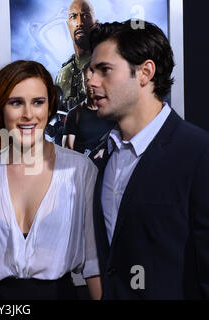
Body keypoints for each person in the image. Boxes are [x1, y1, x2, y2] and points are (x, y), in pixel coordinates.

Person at [89, 20, 209, 299]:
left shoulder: (199, 154)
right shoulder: (102, 157)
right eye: (92, 70)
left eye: (104, 70)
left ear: (145, 72)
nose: (92, 81)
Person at [0, 60, 101, 300]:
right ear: (1, 108)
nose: (28, 114)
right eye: (16, 102)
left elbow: (93, 264)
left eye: (38, 102)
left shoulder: (80, 171)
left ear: (50, 107)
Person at [64, 64, 115, 161]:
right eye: (87, 80)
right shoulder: (74, 114)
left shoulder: (113, 111)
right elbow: (67, 151)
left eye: (95, 79)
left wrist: (105, 150)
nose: (91, 84)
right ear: (82, 84)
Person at [55, 0, 98, 110]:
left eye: (86, 16)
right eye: (73, 16)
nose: (79, 23)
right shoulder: (62, 74)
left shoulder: (106, 67)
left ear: (96, 23)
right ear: (68, 25)